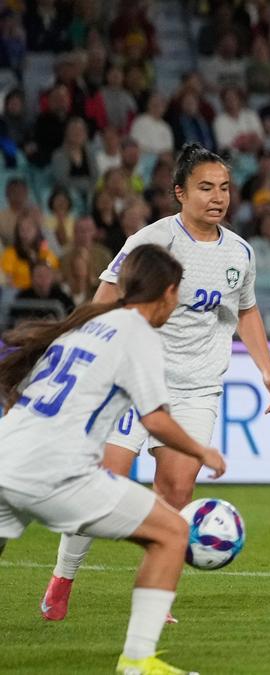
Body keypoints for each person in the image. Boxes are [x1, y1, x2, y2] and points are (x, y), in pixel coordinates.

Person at [39, 144, 270, 623]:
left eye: (225, 188)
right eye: (206, 188)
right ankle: (64, 576)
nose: (218, 198)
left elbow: (246, 310)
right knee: (103, 482)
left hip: (196, 388)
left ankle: (155, 595)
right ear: (179, 193)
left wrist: (266, 368)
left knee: (175, 490)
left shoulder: (240, 252)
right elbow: (107, 294)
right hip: (134, 379)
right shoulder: (150, 242)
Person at [0, 244, 226, 675]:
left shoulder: (83, 325)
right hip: (57, 471)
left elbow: (20, 393)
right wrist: (202, 451)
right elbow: (156, 419)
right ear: (167, 293)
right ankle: (138, 661)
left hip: (5, 454)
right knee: (173, 533)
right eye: (176, 295)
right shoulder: (137, 331)